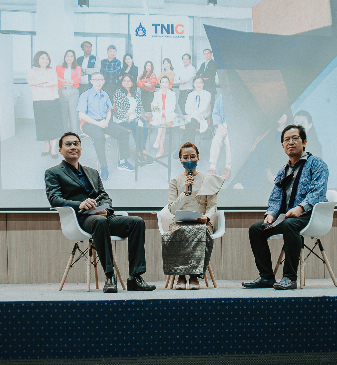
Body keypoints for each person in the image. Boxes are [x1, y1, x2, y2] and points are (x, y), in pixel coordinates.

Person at [45, 132, 156, 293]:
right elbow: (54, 199)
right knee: (100, 222)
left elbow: (104, 196)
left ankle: (135, 277)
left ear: (81, 148)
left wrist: (106, 209)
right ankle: (110, 276)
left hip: (101, 217)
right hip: (80, 220)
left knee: (136, 222)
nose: (73, 147)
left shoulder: (92, 172)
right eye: (68, 144)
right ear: (60, 150)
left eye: (76, 143)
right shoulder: (54, 172)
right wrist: (80, 204)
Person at [243, 124, 329, 290]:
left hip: (310, 216)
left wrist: (300, 208)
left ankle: (289, 277)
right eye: (286, 140)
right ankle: (266, 277)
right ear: (282, 146)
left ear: (304, 142)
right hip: (288, 217)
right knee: (256, 229)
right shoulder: (283, 171)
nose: (290, 142)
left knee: (290, 225)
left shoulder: (317, 164)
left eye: (295, 138)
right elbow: (275, 198)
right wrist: (271, 214)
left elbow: (318, 192)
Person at [161, 142, 224, 290]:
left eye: (192, 156)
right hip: (181, 221)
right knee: (176, 232)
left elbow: (212, 205)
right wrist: (185, 193)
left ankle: (194, 276)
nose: (189, 160)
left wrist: (207, 217)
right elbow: (172, 209)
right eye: (185, 157)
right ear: (181, 160)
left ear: (198, 158)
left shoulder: (207, 179)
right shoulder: (175, 182)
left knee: (199, 231)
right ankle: (181, 276)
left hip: (201, 222)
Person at [77, 73, 135, 180]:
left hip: (104, 121)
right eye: (96, 79)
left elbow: (109, 110)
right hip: (89, 123)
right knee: (99, 137)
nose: (98, 82)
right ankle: (103, 166)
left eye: (101, 80)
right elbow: (81, 115)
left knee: (123, 132)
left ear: (103, 81)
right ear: (91, 81)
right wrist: (98, 123)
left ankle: (123, 162)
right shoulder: (85, 95)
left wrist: (107, 121)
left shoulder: (105, 94)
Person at [26, 51, 62, 159]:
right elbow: (30, 81)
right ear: (37, 59)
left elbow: (54, 82)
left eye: (47, 59)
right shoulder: (32, 71)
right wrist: (45, 81)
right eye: (42, 58)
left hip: (52, 100)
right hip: (38, 101)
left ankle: (53, 149)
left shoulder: (52, 70)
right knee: (42, 124)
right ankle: (47, 147)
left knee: (53, 124)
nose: (45, 61)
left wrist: (39, 83)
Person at [112, 75, 153, 166]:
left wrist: (133, 114)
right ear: (122, 82)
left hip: (134, 116)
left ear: (132, 83)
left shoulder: (135, 93)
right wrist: (129, 116)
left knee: (145, 126)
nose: (126, 82)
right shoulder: (118, 93)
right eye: (124, 81)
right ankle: (140, 153)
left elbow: (139, 107)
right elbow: (119, 109)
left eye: (129, 81)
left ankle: (141, 150)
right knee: (136, 128)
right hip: (122, 118)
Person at [56, 49, 82, 133]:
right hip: (62, 91)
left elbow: (77, 80)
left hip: (73, 92)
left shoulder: (78, 68)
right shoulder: (59, 67)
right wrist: (69, 80)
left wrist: (64, 80)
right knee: (63, 115)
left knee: (73, 115)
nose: (69, 58)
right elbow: (57, 79)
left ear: (74, 58)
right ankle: (64, 136)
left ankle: (74, 137)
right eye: (67, 56)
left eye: (71, 56)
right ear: (65, 57)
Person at [151, 75, 177, 158]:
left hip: (169, 114)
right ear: (160, 84)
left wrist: (165, 112)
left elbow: (173, 107)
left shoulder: (172, 94)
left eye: (166, 82)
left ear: (169, 83)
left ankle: (158, 140)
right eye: (163, 82)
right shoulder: (156, 94)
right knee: (163, 124)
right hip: (159, 115)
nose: (164, 84)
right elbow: (155, 107)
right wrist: (161, 112)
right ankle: (161, 148)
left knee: (163, 121)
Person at [208, 94, 231, 179]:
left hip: (234, 126)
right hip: (222, 124)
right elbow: (215, 112)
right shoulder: (221, 97)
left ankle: (228, 166)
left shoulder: (239, 95)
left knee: (229, 142)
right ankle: (212, 166)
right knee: (216, 140)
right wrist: (219, 125)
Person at [182, 77, 211, 143]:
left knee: (190, 122)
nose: (198, 84)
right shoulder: (190, 95)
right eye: (196, 82)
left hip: (203, 118)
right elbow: (186, 109)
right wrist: (194, 115)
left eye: (200, 82)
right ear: (193, 84)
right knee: (191, 122)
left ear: (203, 84)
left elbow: (203, 108)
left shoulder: (207, 94)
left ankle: (185, 143)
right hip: (193, 118)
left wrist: (191, 115)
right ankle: (190, 145)